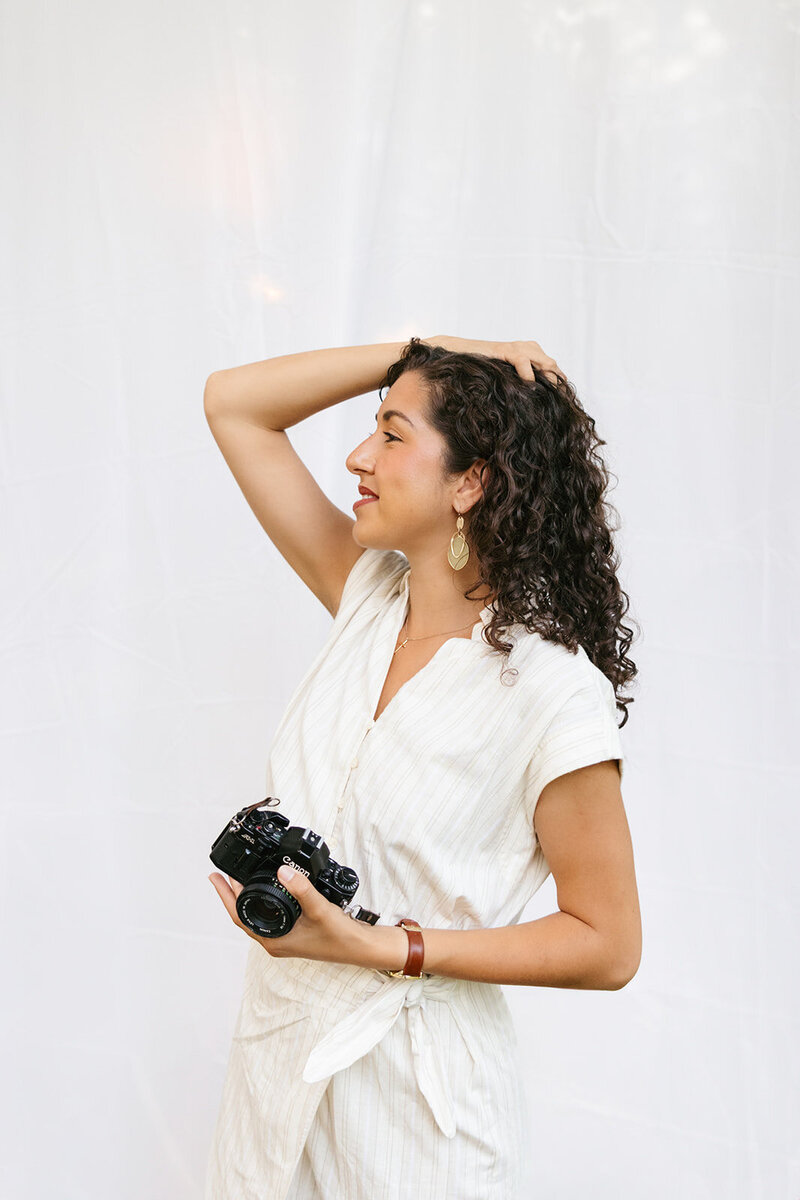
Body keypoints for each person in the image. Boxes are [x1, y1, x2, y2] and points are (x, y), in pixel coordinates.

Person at [203, 335, 642, 1199]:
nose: (357, 456)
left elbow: (609, 942)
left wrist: (385, 947)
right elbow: (234, 405)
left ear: (471, 481)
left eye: (393, 436)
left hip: (419, 1121)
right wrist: (432, 346)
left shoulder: (551, 691)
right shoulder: (365, 599)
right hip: (275, 1078)